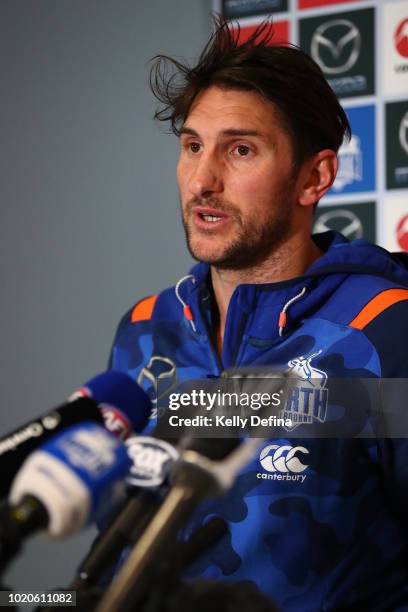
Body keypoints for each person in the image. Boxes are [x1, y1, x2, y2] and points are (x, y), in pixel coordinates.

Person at [109, 17, 408, 611]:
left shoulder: (385, 328)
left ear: (314, 176)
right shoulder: (145, 330)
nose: (203, 180)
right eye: (192, 146)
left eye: (240, 150)